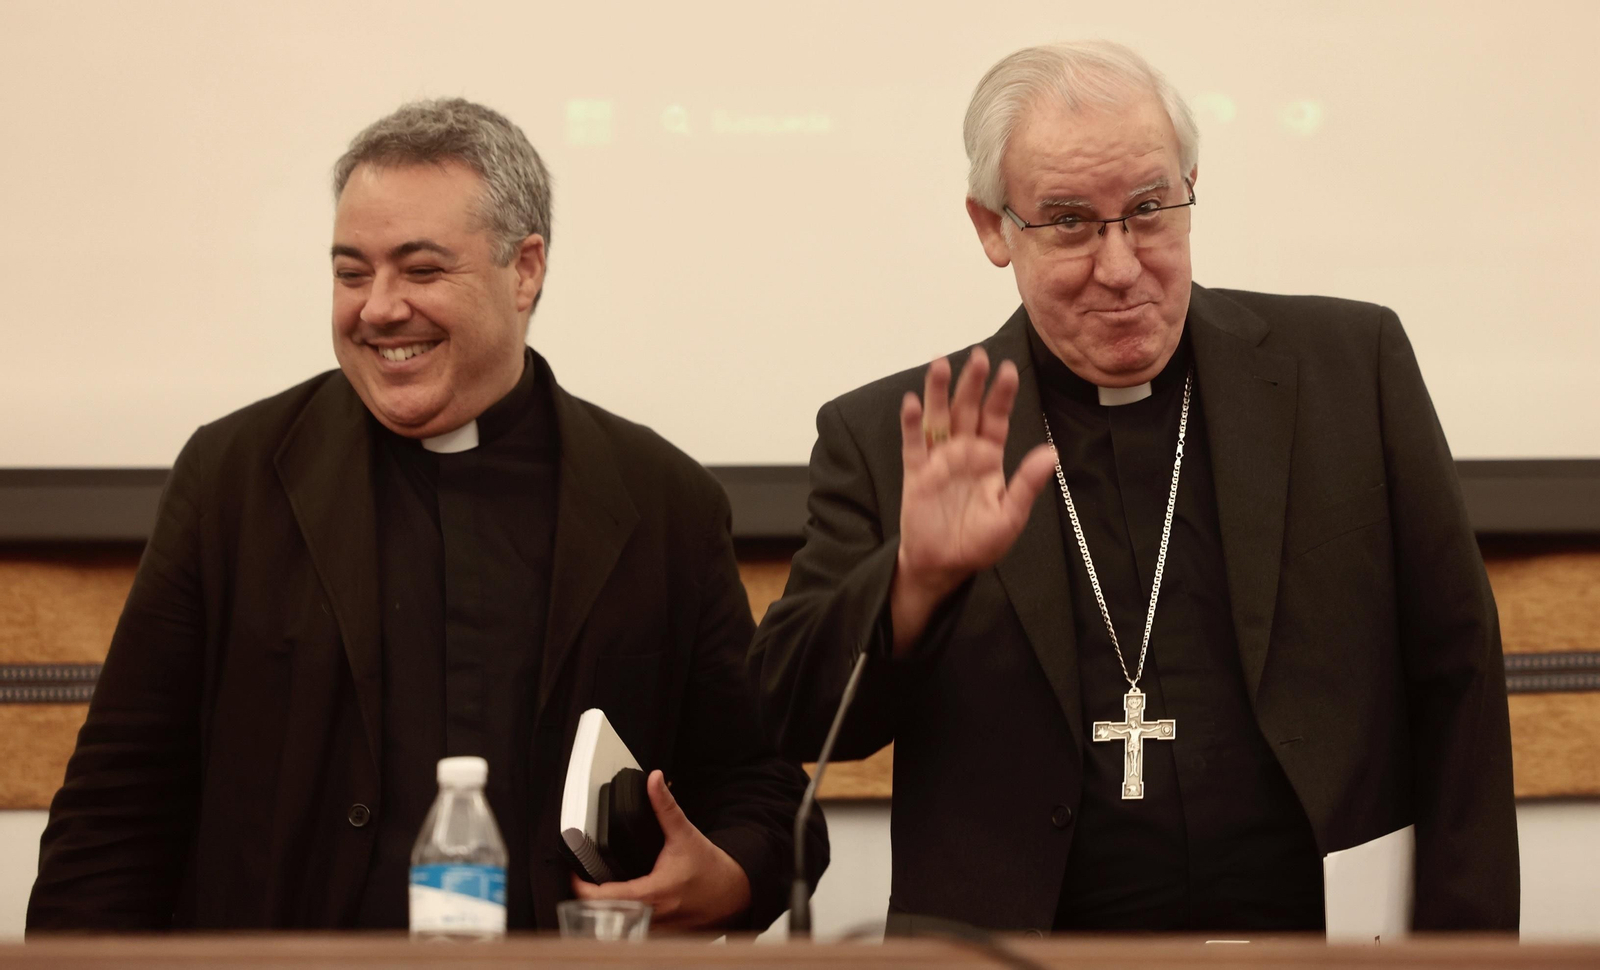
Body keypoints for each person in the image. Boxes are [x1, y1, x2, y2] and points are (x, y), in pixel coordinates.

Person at [749, 41, 1517, 935]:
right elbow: (788, 716)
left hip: (1317, 946)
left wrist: (1470, 952)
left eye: (1151, 210)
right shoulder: (898, 436)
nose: (1120, 266)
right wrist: (915, 579)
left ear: (1193, 185)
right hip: (1017, 952)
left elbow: (1458, 674)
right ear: (992, 227)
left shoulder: (1349, 371)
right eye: (1070, 221)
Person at [28, 98, 826, 932]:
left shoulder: (663, 500)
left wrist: (728, 878)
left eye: (419, 270)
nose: (377, 308)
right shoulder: (234, 478)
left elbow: (760, 789)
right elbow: (117, 803)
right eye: (350, 272)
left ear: (525, 270)